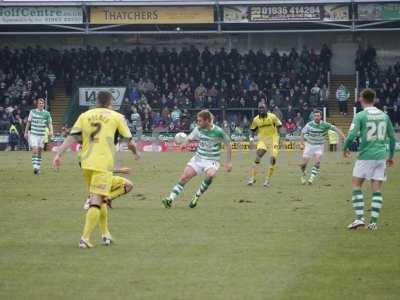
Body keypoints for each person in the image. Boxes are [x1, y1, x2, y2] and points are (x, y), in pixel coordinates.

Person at [53, 91, 140, 249]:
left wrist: (58, 154)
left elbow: (72, 137)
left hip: (86, 164)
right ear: (110, 102)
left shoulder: (85, 115)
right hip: (103, 164)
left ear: (97, 101)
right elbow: (130, 141)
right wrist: (136, 153)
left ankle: (105, 234)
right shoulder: (116, 116)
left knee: (102, 199)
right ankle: (84, 238)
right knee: (97, 201)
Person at [344, 88, 396, 230]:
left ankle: (360, 218)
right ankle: (373, 223)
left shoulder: (360, 115)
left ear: (361, 98)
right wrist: (391, 156)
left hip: (365, 156)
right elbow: (392, 138)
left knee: (356, 185)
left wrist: (345, 148)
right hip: (380, 157)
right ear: (374, 99)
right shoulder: (384, 116)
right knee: (377, 189)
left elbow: (350, 136)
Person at [161, 110, 232, 209]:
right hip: (198, 158)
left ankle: (196, 196)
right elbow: (189, 138)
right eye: (197, 121)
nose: (198, 123)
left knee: (211, 175)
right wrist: (184, 144)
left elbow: (228, 145)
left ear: (207, 121)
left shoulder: (218, 131)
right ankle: (170, 199)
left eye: (200, 121)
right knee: (184, 177)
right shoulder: (198, 129)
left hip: (212, 161)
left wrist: (228, 162)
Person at [300, 110, 345, 185]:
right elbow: (302, 133)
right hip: (309, 145)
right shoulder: (309, 124)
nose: (316, 117)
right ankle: (303, 174)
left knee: (317, 162)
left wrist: (344, 138)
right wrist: (301, 143)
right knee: (304, 164)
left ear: (321, 116)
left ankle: (311, 178)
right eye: (315, 116)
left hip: (319, 146)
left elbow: (336, 129)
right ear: (313, 117)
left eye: (318, 116)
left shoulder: (325, 124)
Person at [247, 104, 282, 187]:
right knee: (258, 155)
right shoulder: (256, 119)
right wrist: (251, 140)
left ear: (266, 109)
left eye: (263, 108)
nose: (261, 109)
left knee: (273, 158)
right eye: (259, 108)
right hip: (262, 139)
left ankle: (267, 180)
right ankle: (252, 178)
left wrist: (280, 138)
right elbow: (252, 130)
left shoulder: (272, 116)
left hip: (273, 139)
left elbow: (279, 126)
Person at [24, 98, 53, 174]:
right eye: (40, 103)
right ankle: (35, 168)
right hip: (33, 134)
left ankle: (38, 168)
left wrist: (51, 131)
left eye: (42, 103)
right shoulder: (32, 112)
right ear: (37, 104)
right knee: (35, 150)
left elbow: (50, 123)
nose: (41, 104)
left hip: (42, 135)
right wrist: (26, 132)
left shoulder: (47, 113)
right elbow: (28, 123)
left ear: (44, 104)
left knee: (40, 152)